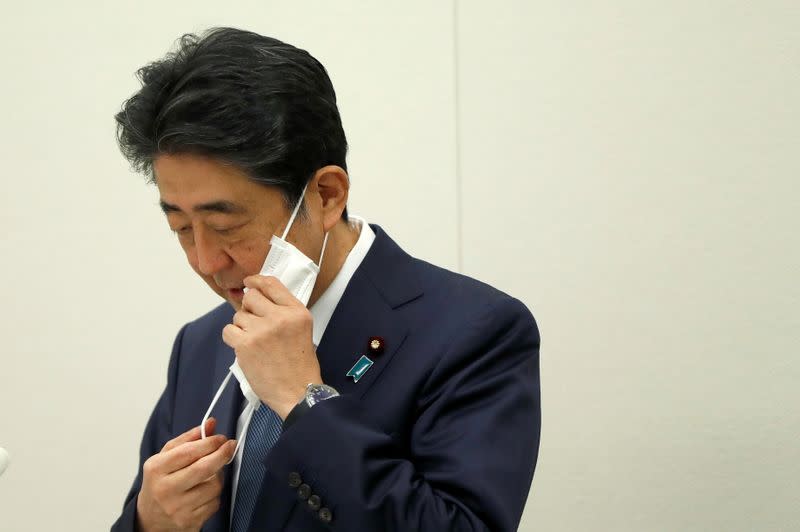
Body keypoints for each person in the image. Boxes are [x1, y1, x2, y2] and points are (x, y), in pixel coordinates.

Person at [111, 27, 540, 532]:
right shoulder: (201, 344)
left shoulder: (473, 331)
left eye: (227, 226)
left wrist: (304, 401)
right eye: (181, 228)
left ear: (327, 195)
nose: (206, 260)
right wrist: (149, 521)